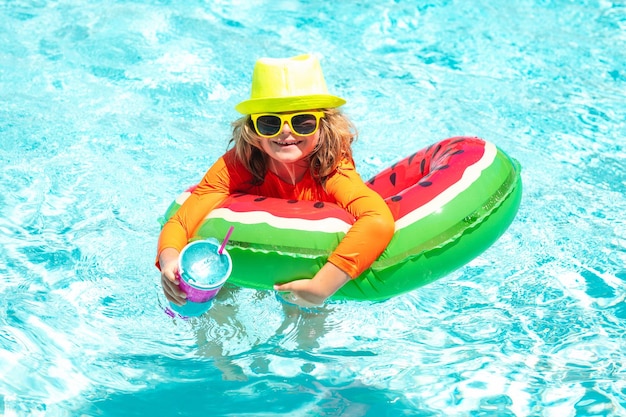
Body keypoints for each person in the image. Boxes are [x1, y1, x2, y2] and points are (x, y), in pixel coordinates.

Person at [157, 54, 395, 307]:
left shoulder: (332, 167)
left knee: (307, 318)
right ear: (252, 130)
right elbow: (182, 221)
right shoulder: (237, 165)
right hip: (248, 254)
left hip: (308, 264)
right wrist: (169, 260)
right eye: (269, 123)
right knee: (218, 305)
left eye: (303, 122)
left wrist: (322, 286)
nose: (285, 132)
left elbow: (377, 219)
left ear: (324, 126)